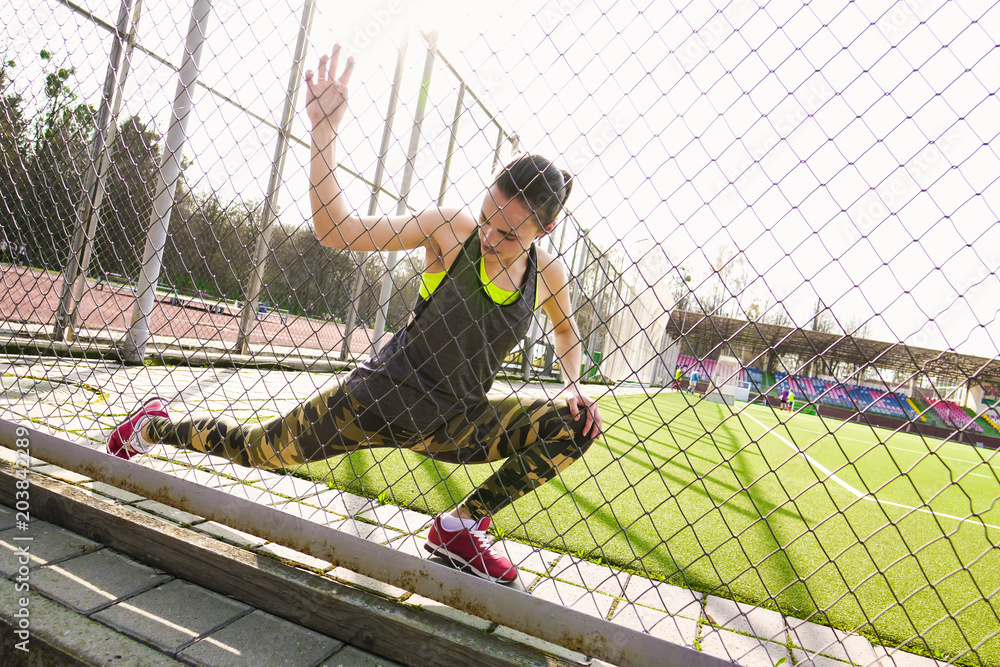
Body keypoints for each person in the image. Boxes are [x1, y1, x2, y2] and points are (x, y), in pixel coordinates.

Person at [106, 44, 603, 585]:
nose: (489, 237)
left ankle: (459, 529)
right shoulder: (448, 230)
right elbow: (335, 230)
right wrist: (324, 130)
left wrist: (575, 386)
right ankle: (152, 428)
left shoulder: (547, 272)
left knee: (574, 425)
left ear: (544, 232)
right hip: (374, 401)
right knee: (257, 450)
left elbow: (565, 332)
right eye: (487, 218)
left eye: (508, 234)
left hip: (455, 422)